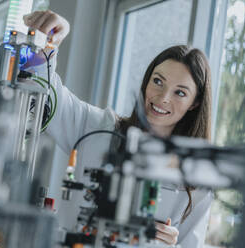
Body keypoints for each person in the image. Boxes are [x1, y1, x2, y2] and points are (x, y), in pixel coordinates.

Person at [24, 10, 213, 247]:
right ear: (146, 82)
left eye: (180, 92)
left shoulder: (196, 185)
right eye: (158, 81)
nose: (163, 97)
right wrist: (47, 45)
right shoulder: (100, 129)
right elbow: (45, 92)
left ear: (195, 103)